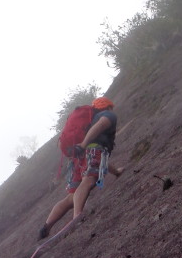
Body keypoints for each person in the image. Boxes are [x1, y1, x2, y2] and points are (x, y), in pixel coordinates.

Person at [38, 96, 124, 239]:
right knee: (88, 180)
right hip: (91, 149)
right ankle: (77, 216)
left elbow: (101, 162)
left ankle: (46, 226)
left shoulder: (88, 121)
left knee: (72, 196)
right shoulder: (108, 115)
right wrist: (84, 144)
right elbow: (101, 126)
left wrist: (116, 172)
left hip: (78, 157)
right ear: (107, 107)